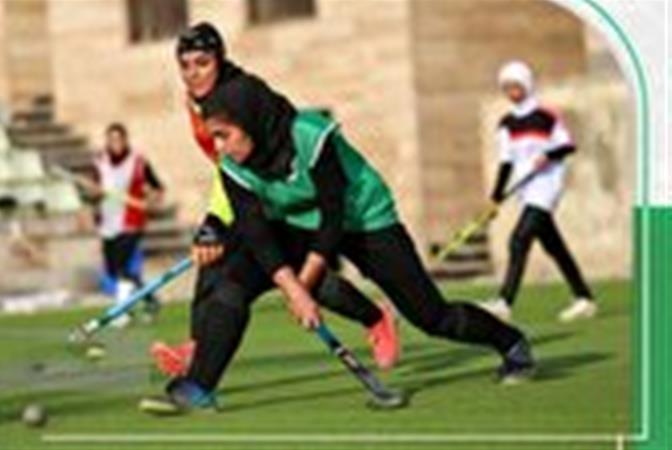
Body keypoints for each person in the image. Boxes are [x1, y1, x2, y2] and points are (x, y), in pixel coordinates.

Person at [139, 73, 535, 415]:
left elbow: (332, 215)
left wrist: (304, 285)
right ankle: (199, 387)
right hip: (296, 220)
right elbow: (256, 233)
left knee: (431, 316)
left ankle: (511, 343)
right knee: (231, 283)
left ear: (252, 122)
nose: (220, 147)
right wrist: (294, 288)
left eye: (224, 135)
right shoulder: (233, 168)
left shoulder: (310, 135)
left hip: (362, 218)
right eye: (214, 137)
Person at [149, 22, 399, 376]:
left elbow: (263, 158)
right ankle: (200, 347)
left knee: (302, 277)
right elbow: (226, 167)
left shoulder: (240, 94)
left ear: (220, 59)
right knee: (214, 260)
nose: (193, 73)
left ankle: (375, 318)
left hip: (289, 196)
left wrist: (217, 218)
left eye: (202, 63)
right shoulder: (197, 103)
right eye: (185, 65)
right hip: (249, 191)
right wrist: (216, 220)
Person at [478, 61, 596, 323]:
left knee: (518, 239)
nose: (512, 91)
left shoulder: (546, 117)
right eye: (507, 87)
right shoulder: (506, 123)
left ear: (527, 84)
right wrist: (495, 197)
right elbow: (506, 163)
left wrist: (548, 155)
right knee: (554, 246)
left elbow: (568, 146)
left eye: (516, 85)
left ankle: (504, 302)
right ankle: (584, 297)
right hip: (525, 189)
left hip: (547, 185)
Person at [92, 122, 164, 327]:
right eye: (111, 139)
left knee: (123, 267)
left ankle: (121, 313)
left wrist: (149, 202)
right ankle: (150, 298)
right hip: (108, 222)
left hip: (132, 221)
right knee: (113, 270)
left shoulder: (138, 162)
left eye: (118, 139)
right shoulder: (99, 162)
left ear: (125, 140)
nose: (115, 143)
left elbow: (157, 188)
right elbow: (93, 192)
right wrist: (96, 194)